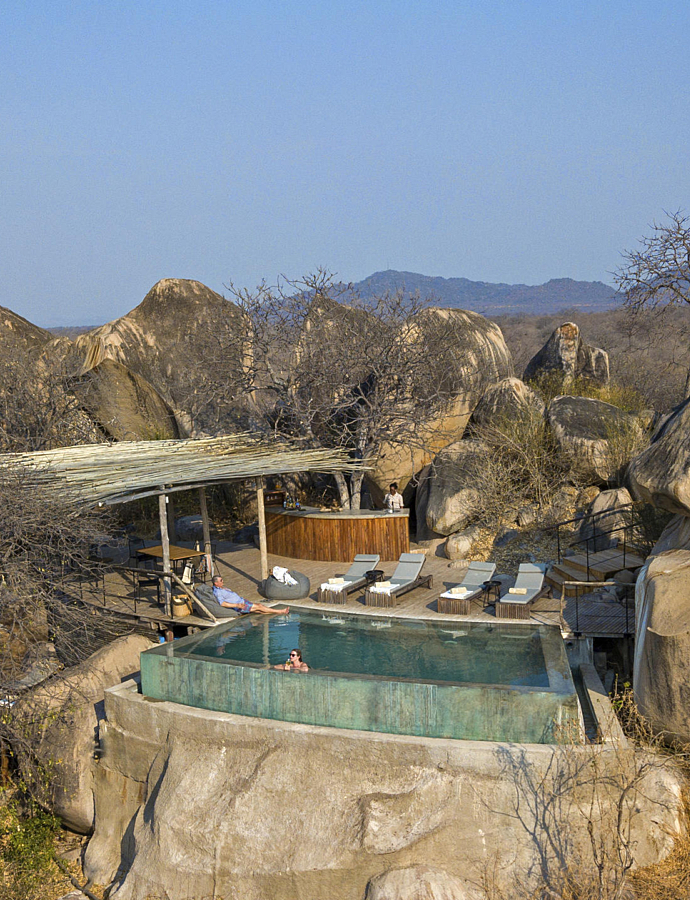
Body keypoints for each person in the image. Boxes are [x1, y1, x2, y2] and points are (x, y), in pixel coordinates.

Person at [211, 575, 289, 615]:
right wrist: (237, 605)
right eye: (221, 580)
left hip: (241, 601)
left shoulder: (220, 588)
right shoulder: (218, 592)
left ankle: (275, 612)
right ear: (216, 583)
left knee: (258, 609)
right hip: (240, 605)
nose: (223, 581)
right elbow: (222, 603)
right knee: (259, 606)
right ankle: (281, 611)